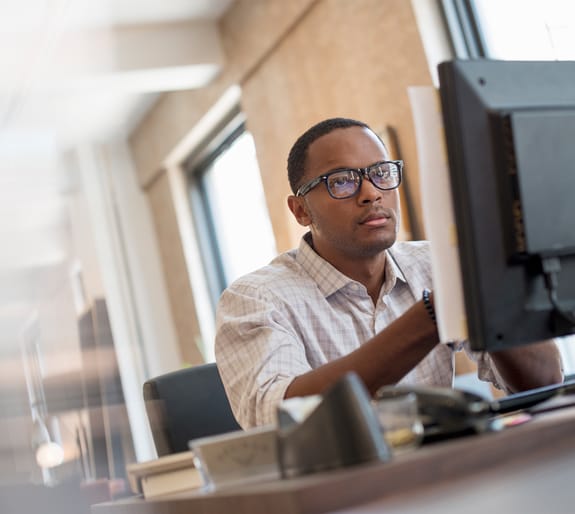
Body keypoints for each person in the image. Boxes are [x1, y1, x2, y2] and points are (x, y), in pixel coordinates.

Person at [215, 117, 563, 428]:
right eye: (342, 181)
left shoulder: (437, 263)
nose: (371, 193)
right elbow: (277, 420)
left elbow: (544, 382)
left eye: (381, 173)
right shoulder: (255, 298)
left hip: (445, 476)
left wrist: (494, 286)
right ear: (301, 210)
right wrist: (432, 315)